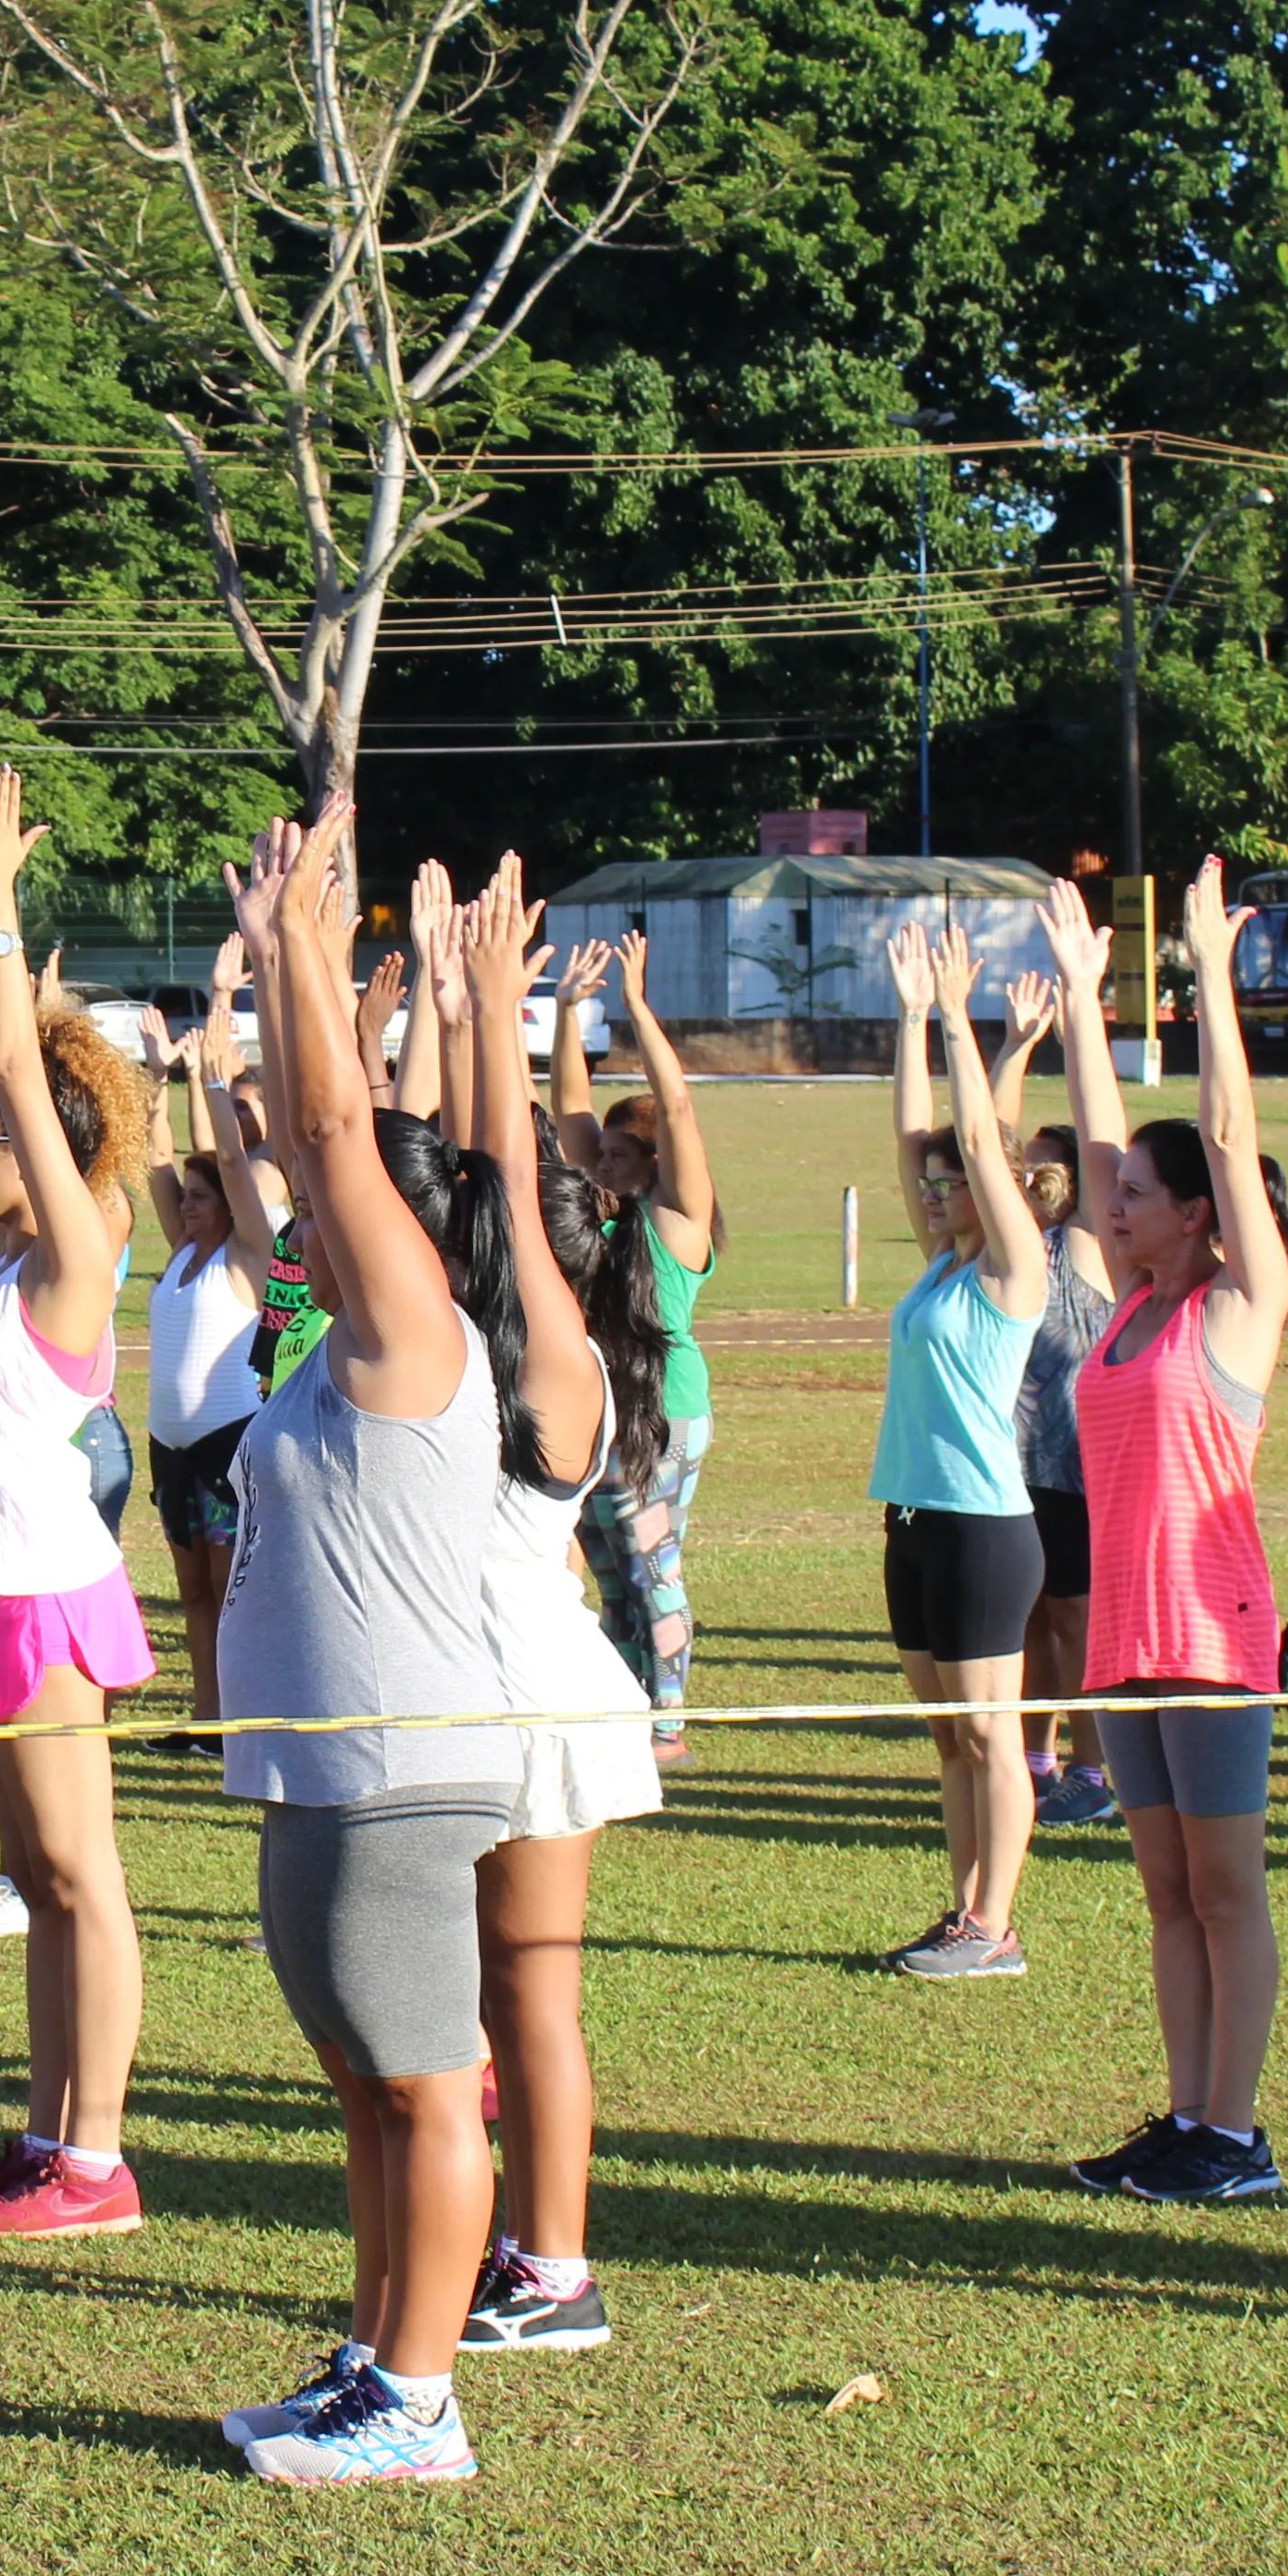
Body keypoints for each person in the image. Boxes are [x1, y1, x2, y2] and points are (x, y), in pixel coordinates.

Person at [206, 801, 506, 2479]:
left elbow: (328, 1122)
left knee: (423, 2082)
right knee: (362, 2084)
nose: (294, 1195)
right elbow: (294, 1131)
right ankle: (373, 2354)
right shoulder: (324, 1350)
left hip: (397, 1769)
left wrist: (297, 952)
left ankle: (421, 2400)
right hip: (317, 1770)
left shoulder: (412, 1331)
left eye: (325, 1193)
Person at [0, 769, 160, 2238]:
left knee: (80, 1874)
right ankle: (43, 2135)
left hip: (50, 1595)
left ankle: (97, 2161)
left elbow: (1, 1053)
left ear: (50, 1152)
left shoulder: (73, 1255)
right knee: (36, 1882)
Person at [1047, 867, 1288, 2206]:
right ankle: (1187, 2117)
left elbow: (1219, 1118)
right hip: (1125, 1637)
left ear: (1198, 1211)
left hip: (1212, 1635)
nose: (1112, 1205)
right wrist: (1087, 1005)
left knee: (1221, 1888)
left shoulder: (1235, 1306)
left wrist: (1205, 978)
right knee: (1161, 1893)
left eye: (1140, 1194)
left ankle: (1235, 2131)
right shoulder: (1128, 1307)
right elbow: (1101, 1142)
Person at [442, 864, 664, 2363]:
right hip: (488, 1686)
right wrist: (474, 1009)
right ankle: (517, 2249)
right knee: (490, 1998)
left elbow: (508, 1179)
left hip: (533, 1698)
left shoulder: (561, 1359)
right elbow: (485, 1165)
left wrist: (502, 1011)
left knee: (532, 1999)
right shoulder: (502, 1342)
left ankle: (556, 2268)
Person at [869, 916, 1050, 1982]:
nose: (935, 1191)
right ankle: (961, 1913)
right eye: (931, 1188)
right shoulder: (941, 1269)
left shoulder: (1008, 1270)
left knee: (992, 1735)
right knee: (948, 1741)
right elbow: (916, 1145)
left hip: (984, 1526)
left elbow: (981, 1144)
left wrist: (953, 1020)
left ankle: (997, 1925)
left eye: (953, 1185)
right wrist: (902, 1022)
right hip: (913, 1518)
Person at [549, 929, 718, 1766]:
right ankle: (623, 1705)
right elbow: (570, 1117)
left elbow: (677, 1106)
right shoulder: (602, 1212)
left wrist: (638, 1009)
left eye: (621, 1154)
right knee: (612, 1577)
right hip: (599, 1407)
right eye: (604, 1154)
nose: (603, 1164)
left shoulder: (674, 1224)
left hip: (665, 1410)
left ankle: (669, 1724)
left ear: (654, 1162)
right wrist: (572, 1013)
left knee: (652, 1563)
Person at [997, 972, 1118, 1825]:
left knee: (1075, 1616)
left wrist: (1076, 1025)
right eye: (1029, 1161)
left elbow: (1098, 1156)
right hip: (1016, 1458)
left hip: (1079, 1462)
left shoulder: (1090, 1242)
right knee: (1035, 1612)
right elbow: (987, 1145)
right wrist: (1012, 1048)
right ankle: (1035, 1754)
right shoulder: (1018, 1241)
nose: (1033, 1170)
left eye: (1050, 1161)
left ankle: (1095, 1769)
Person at [147, 1013, 265, 1755]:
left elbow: (227, 1155)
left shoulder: (246, 1252)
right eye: (184, 1198)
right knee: (194, 1594)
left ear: (228, 1200)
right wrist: (158, 1080)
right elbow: (156, 1160)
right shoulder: (183, 1253)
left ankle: (241, 1721)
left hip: (228, 1446)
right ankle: (206, 1718)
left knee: (229, 1597)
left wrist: (212, 1079)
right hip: (171, 1447)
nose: (186, 1205)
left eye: (200, 1196)